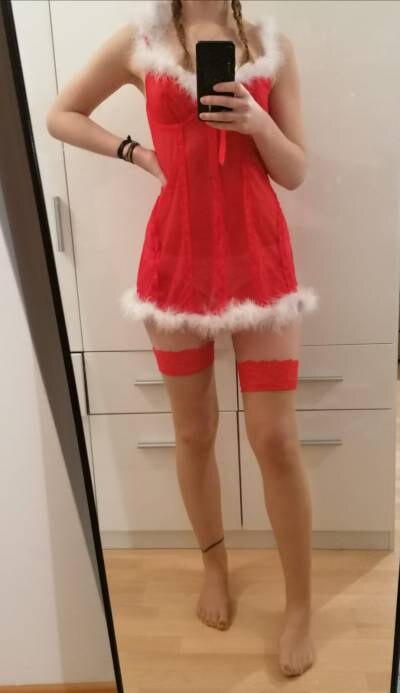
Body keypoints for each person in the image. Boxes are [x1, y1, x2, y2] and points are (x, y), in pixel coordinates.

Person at [47, 0, 318, 677]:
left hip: (259, 259)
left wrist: (256, 122)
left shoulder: (270, 44)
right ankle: (214, 566)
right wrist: (136, 152)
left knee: (276, 439)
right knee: (194, 433)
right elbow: (61, 114)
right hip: (176, 261)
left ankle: (300, 605)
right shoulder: (140, 41)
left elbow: (294, 171)